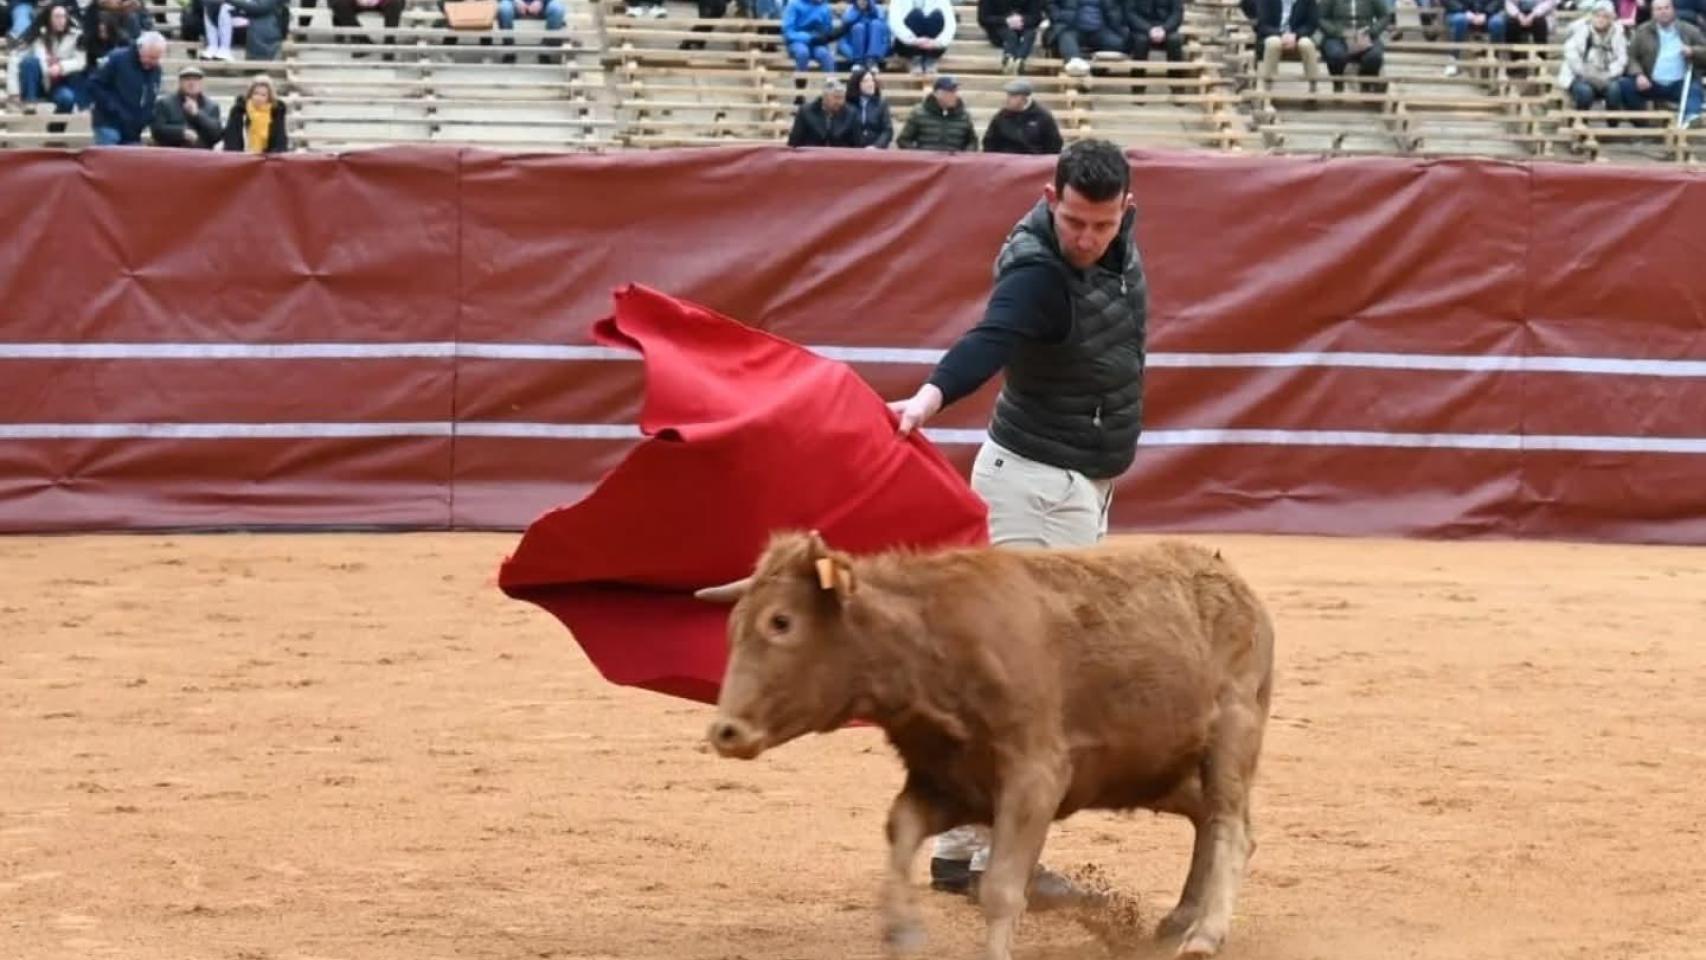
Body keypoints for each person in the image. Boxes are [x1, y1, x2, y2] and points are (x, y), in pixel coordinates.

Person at [887, 138, 1149, 901]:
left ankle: (966, 847)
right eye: (1072, 222)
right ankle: (1004, 859)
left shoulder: (1118, 247)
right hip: (1037, 488)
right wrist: (929, 398)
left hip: (1074, 485)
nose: (1085, 239)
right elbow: (989, 340)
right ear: (1048, 199)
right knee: (1037, 682)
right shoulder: (1038, 274)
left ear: (1125, 210)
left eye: (1100, 225)